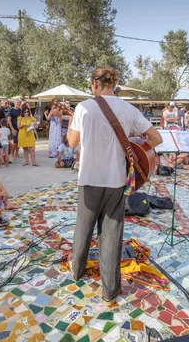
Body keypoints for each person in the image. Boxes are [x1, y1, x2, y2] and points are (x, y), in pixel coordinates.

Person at [67, 66, 162, 305]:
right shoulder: (128, 109)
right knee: (111, 235)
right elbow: (156, 139)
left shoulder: (83, 107)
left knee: (84, 228)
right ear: (113, 85)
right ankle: (110, 292)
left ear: (95, 84)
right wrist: (133, 142)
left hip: (89, 178)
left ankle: (77, 271)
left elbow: (71, 142)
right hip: (116, 180)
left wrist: (72, 121)